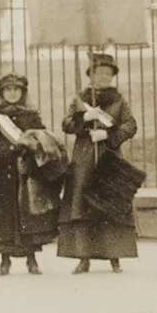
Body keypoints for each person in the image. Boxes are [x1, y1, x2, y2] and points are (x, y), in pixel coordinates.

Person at [58, 52, 140, 273]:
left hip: (109, 156)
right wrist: (83, 118)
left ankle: (114, 256)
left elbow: (131, 125)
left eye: (108, 73)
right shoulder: (80, 99)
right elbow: (66, 124)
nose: (103, 77)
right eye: (99, 73)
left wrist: (108, 136)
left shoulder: (119, 101)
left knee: (110, 204)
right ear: (90, 75)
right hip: (84, 158)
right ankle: (84, 257)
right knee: (82, 205)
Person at [0, 74, 58, 275]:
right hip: (0, 170)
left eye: (16, 89)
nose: (12, 93)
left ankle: (31, 259)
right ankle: (5, 261)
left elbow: (43, 141)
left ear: (22, 92)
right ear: (2, 93)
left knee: (26, 214)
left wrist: (31, 143)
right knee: (2, 216)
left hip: (25, 170)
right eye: (8, 89)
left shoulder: (31, 115)